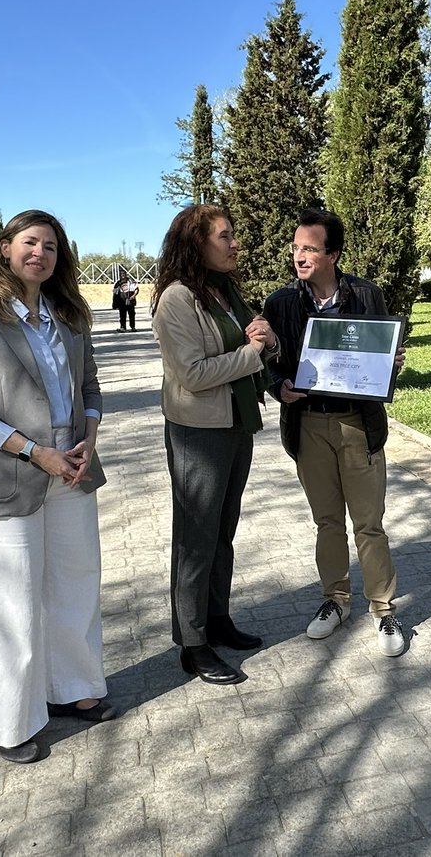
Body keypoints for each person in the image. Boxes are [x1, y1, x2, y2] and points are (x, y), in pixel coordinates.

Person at [0, 209, 117, 764]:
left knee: (76, 583)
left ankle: (72, 689)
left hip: (72, 469)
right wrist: (34, 451)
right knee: (14, 604)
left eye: (50, 245)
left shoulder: (69, 315)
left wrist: (88, 438)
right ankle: (11, 722)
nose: (39, 252)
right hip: (11, 478)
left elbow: (89, 386)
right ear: (6, 247)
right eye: (29, 242)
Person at [263, 208, 407, 658]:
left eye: (309, 248)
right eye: (295, 248)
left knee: (369, 523)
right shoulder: (281, 302)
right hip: (307, 424)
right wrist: (278, 385)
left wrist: (389, 366)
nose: (299, 257)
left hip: (356, 423)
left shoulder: (365, 295)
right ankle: (335, 600)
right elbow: (270, 362)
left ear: (333, 254)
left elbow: (380, 359)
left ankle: (383, 611)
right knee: (326, 521)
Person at [151, 204, 276, 685]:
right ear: (196, 243)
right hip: (198, 434)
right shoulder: (177, 300)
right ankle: (192, 643)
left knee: (223, 529)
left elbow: (261, 344)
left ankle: (217, 619)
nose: (234, 243)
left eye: (232, 234)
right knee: (195, 538)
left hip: (235, 425)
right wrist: (252, 352)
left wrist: (268, 341)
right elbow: (193, 374)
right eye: (224, 236)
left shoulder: (225, 292)